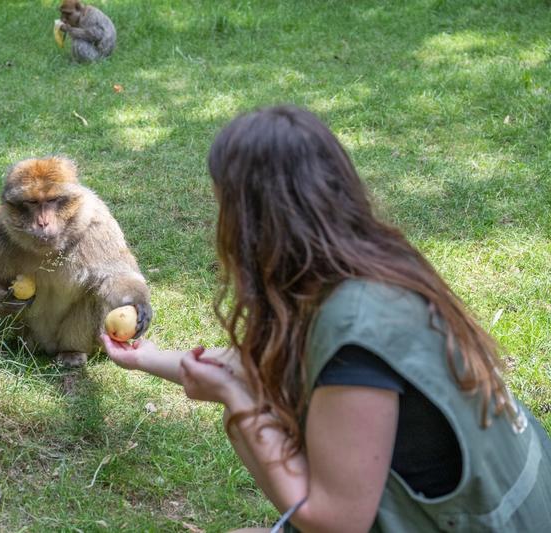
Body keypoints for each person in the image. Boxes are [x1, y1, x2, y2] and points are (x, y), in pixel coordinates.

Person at [101, 105, 551, 532]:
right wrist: (148, 358)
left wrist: (238, 403)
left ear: (256, 220)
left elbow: (334, 522)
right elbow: (255, 364)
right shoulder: (370, 266)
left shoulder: (355, 336)